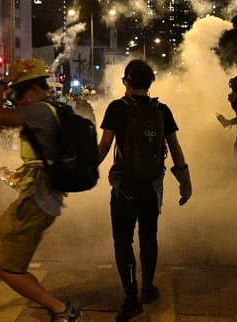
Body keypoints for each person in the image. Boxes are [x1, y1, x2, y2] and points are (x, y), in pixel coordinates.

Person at [0, 58, 81, 321]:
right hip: (35, 195)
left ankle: (62, 311)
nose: (16, 98)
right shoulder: (51, 108)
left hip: (36, 200)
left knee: (9, 269)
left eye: (19, 92)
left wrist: (4, 84)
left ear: (29, 88)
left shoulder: (40, 110)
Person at [97, 59, 192, 322]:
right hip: (152, 187)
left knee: (123, 240)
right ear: (150, 83)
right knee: (149, 236)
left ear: (127, 82)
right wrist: (185, 181)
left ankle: (131, 298)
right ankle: (148, 287)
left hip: (124, 188)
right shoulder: (162, 110)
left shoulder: (117, 108)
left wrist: (82, 170)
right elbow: (174, 147)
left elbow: (104, 147)